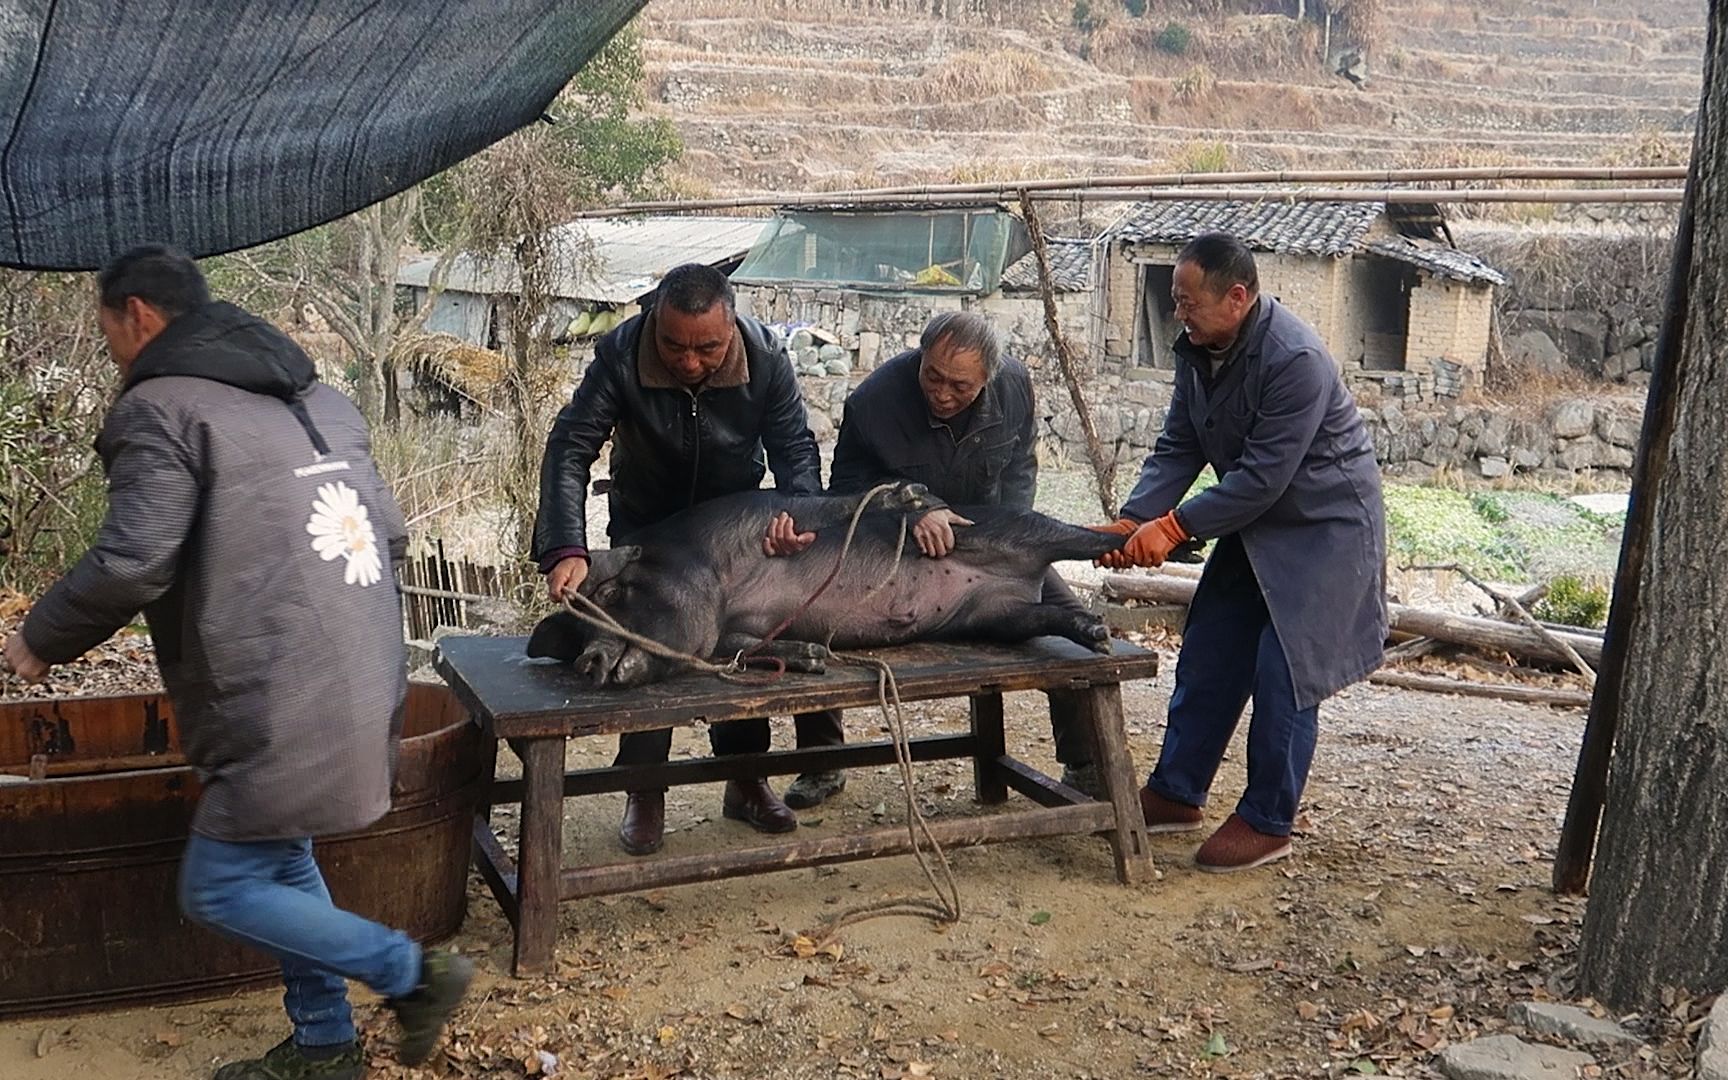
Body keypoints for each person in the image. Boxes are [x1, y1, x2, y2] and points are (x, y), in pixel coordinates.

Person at [0, 246, 471, 1080]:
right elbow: (389, 535)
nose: (108, 345)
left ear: (137, 315)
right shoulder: (323, 400)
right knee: (280, 857)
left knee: (220, 887)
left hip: (277, 690)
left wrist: (39, 639)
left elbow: (130, 563)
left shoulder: (163, 407)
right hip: (366, 667)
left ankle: (412, 975)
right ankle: (326, 1043)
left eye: (105, 326)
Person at [1092, 231, 1387, 873]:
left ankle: (1267, 819)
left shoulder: (1295, 359)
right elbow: (1180, 443)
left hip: (1322, 530)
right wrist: (1136, 517)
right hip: (1256, 525)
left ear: (1236, 296)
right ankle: (1177, 790)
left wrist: (1172, 529)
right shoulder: (1198, 349)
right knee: (1211, 649)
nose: (1179, 313)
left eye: (1188, 301)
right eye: (1175, 300)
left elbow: (1262, 477)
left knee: (1286, 673)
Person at [534, 262, 825, 856]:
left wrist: (801, 520)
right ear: (654, 322)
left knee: (742, 647)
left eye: (708, 348)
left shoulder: (766, 356)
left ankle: (745, 780)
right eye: (674, 346)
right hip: (648, 524)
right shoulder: (620, 352)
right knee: (645, 653)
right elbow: (570, 447)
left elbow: (794, 446)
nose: (690, 361)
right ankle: (645, 791)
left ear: (731, 328)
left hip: (735, 534)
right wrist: (566, 545)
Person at [780, 311, 1103, 810]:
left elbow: (1021, 465)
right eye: (933, 376)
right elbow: (842, 492)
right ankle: (822, 761)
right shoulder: (874, 402)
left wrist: (1016, 539)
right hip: (894, 546)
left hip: (987, 547)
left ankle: (1085, 763)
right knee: (816, 614)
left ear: (988, 378)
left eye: (960, 385)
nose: (943, 392)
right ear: (920, 356)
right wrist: (915, 508)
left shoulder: (1014, 386)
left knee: (1075, 632)